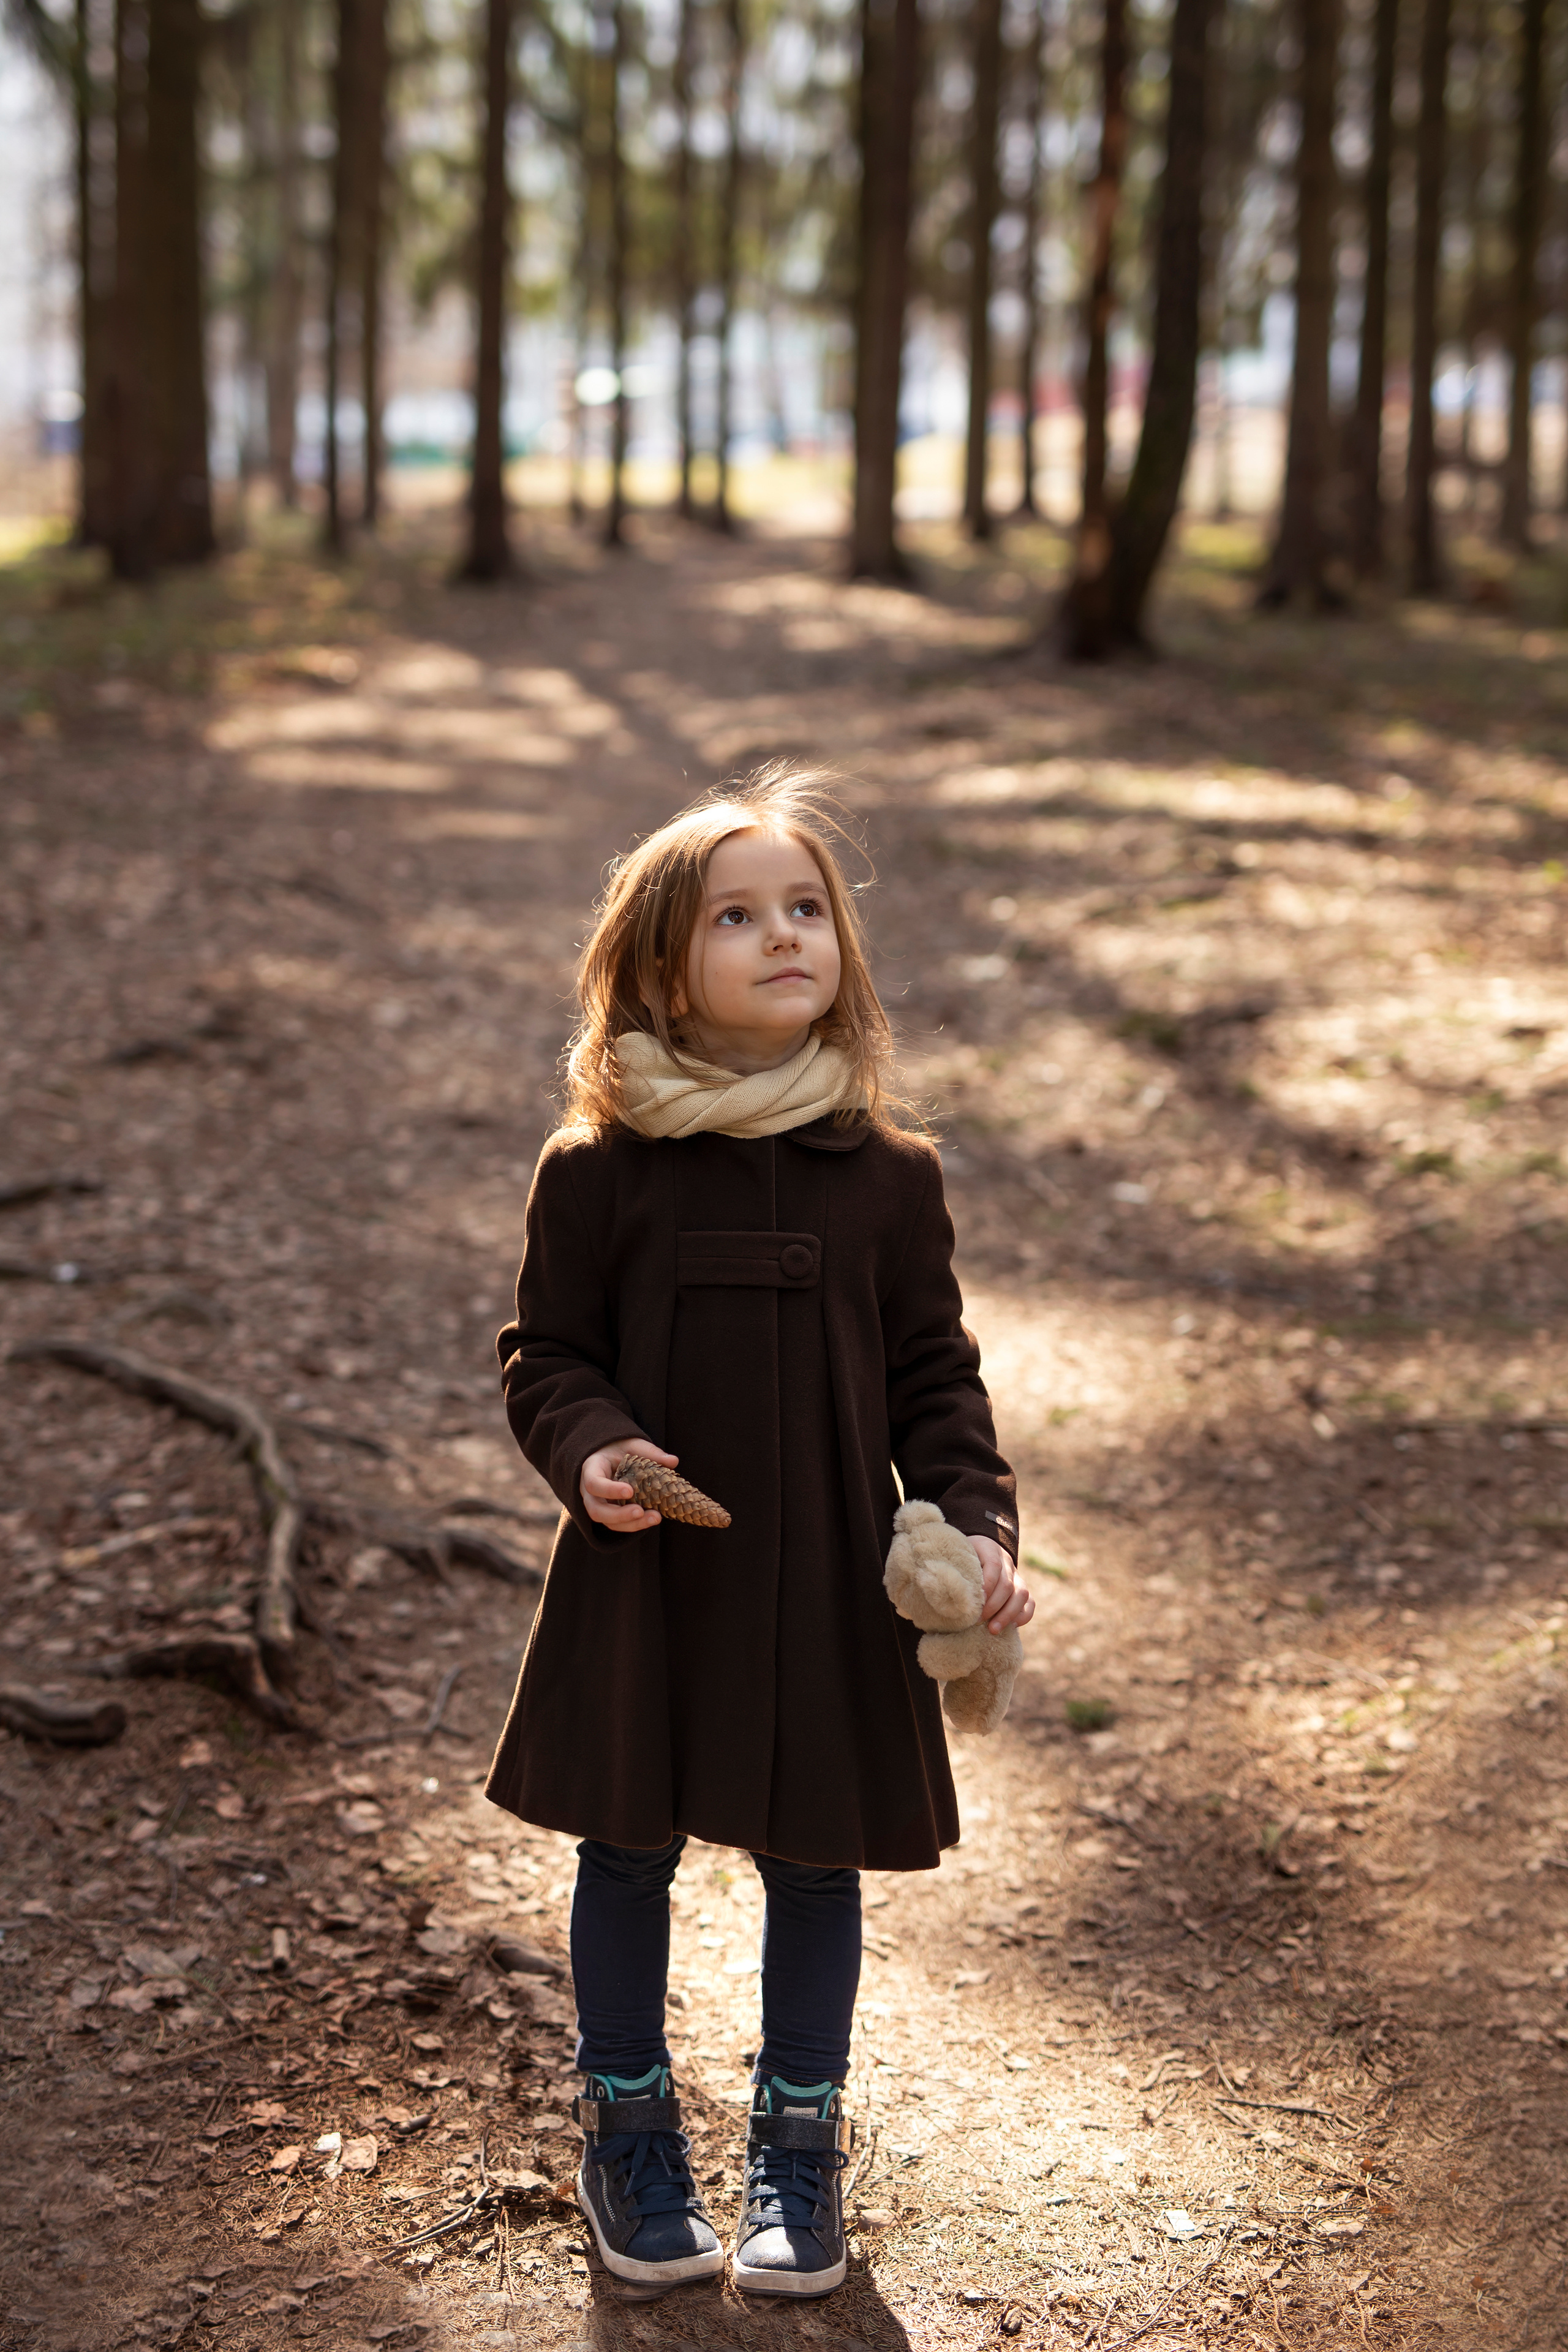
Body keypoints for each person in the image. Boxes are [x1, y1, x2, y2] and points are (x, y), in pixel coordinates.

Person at [486, 762, 1033, 2298]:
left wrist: (978, 1527)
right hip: (651, 1576)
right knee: (628, 1845)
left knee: (813, 1860)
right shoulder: (600, 1170)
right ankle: (627, 2123)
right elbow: (544, 1354)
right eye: (738, 916)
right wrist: (589, 1450)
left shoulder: (886, 1177)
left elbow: (936, 1382)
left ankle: (797, 2145)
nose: (784, 934)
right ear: (662, 962)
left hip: (822, 1590)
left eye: (807, 909)